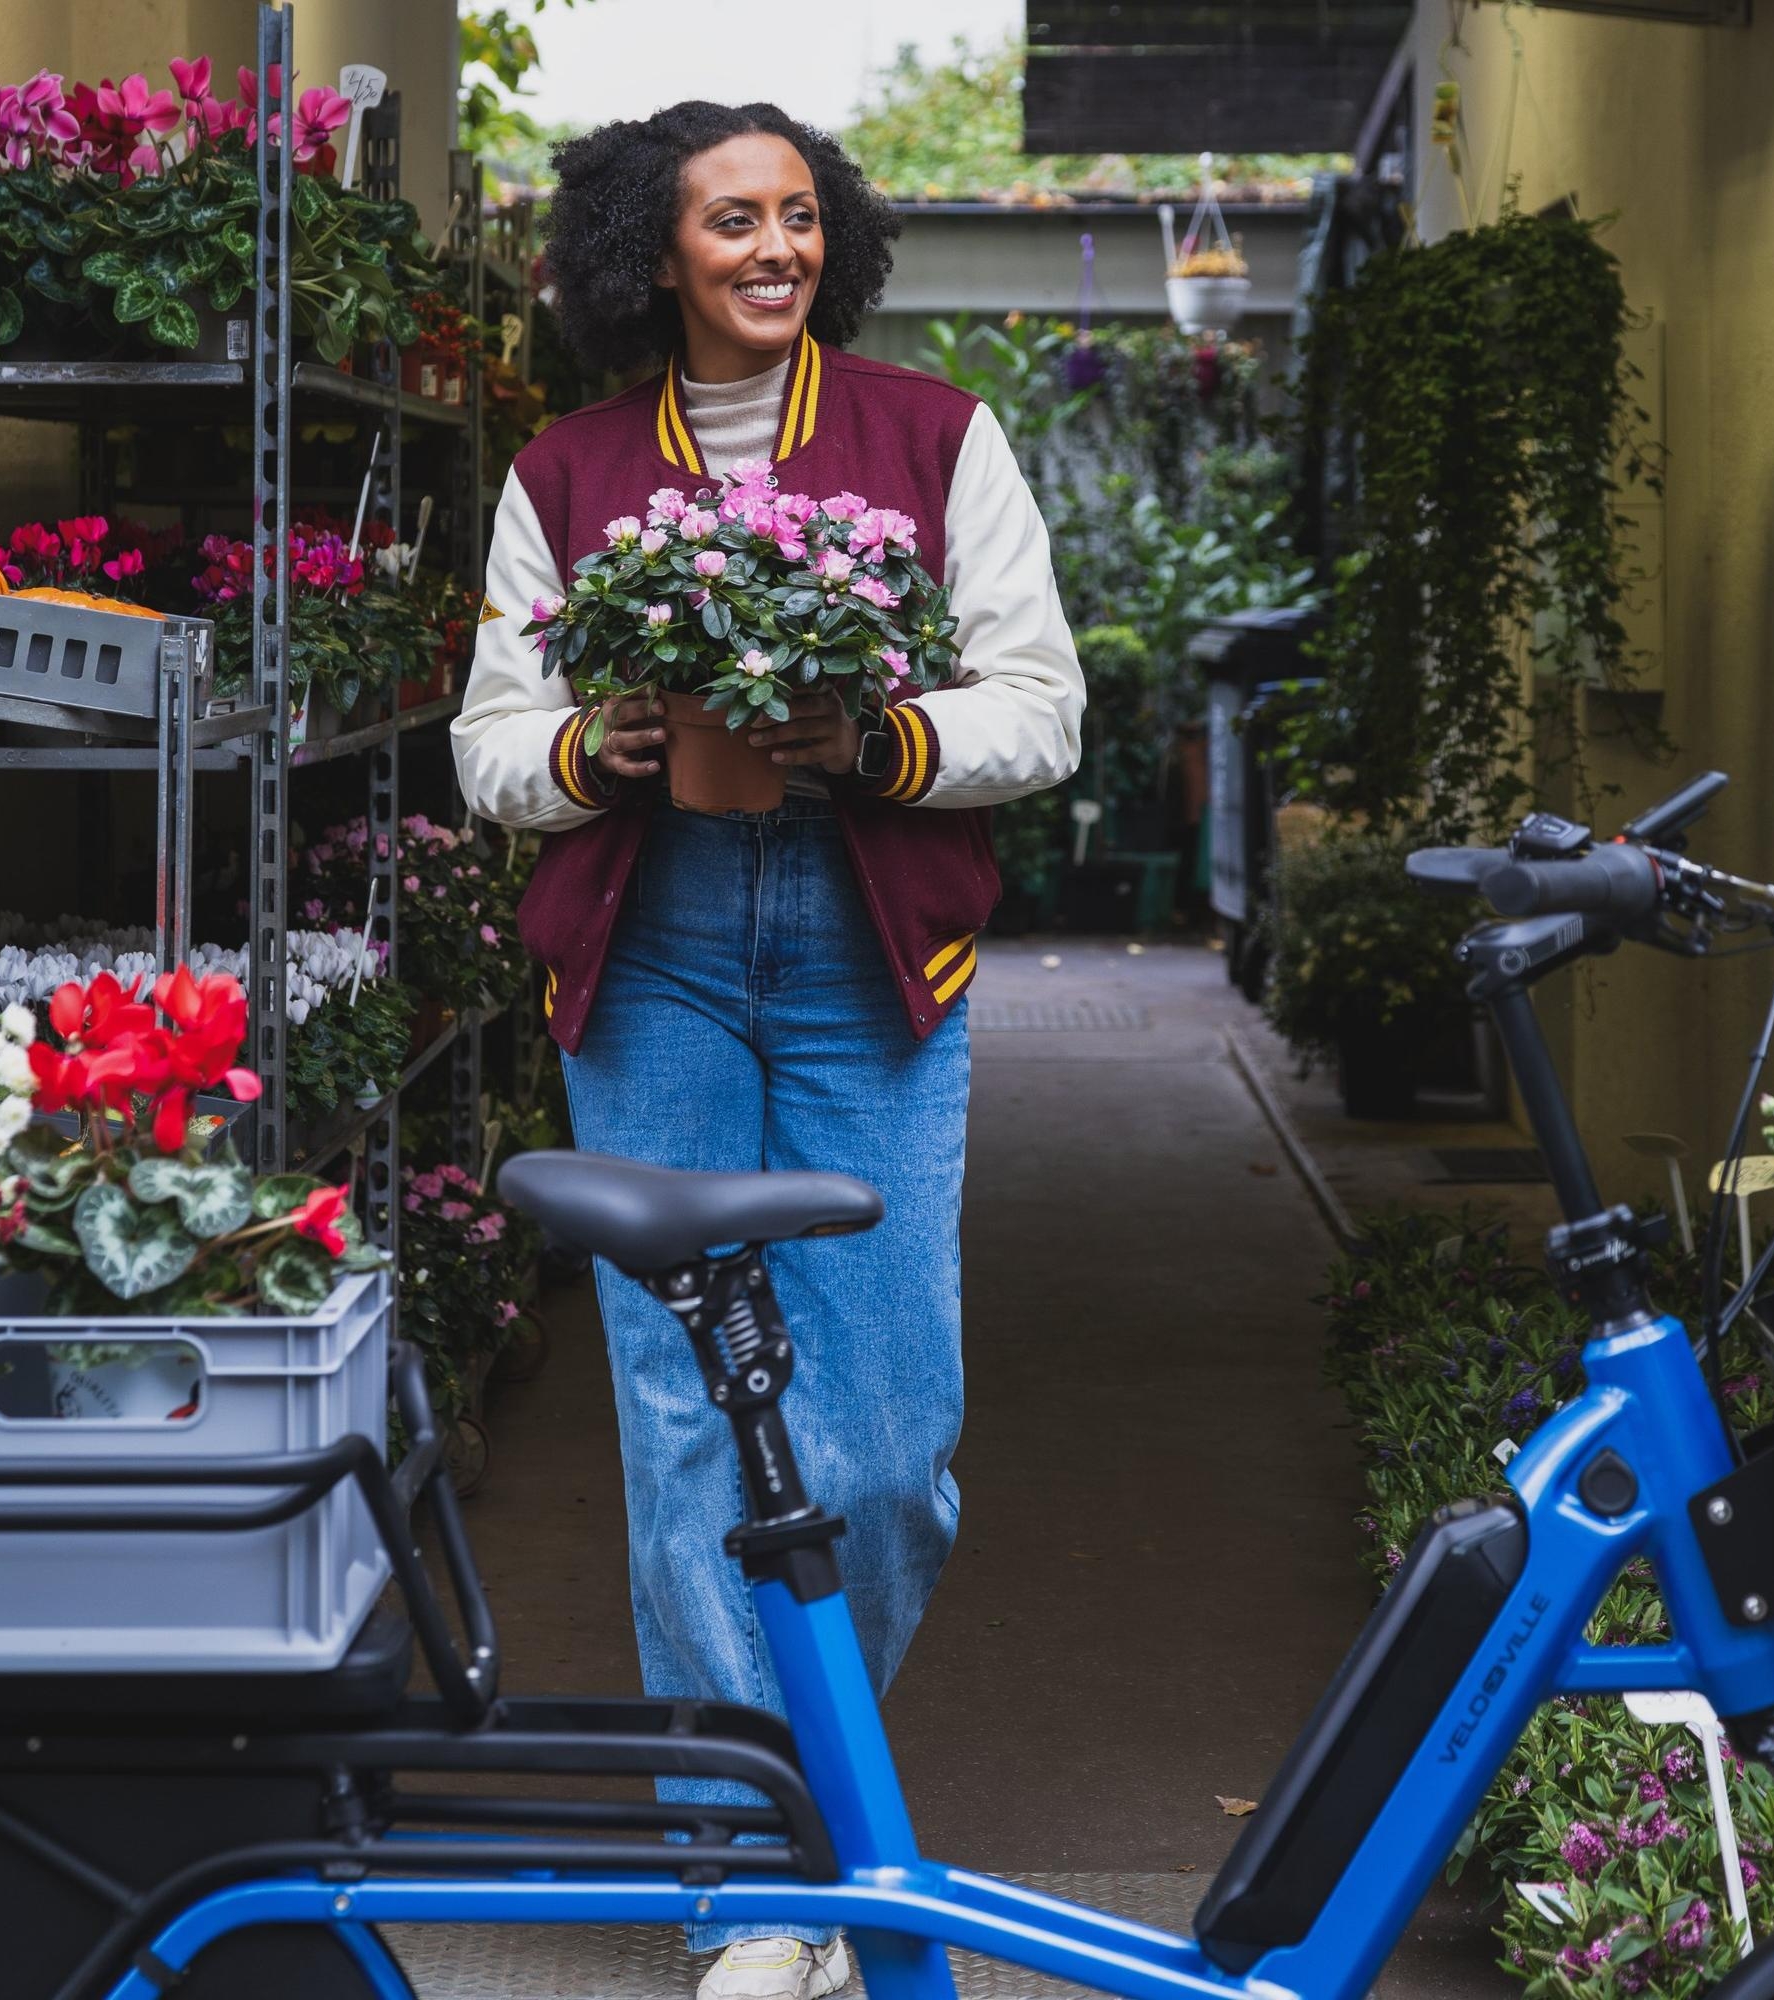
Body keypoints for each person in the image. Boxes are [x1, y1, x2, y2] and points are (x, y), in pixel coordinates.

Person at [452, 99, 1082, 2000]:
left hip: (864, 947)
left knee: (887, 1439)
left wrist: (873, 740)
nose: (775, 251)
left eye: (802, 218)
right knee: (682, 1419)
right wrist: (596, 749)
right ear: (656, 251)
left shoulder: (932, 439)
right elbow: (487, 745)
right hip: (648, 954)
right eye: (734, 221)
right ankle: (760, 1891)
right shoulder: (563, 473)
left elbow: (1042, 708)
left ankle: (808, 1804)